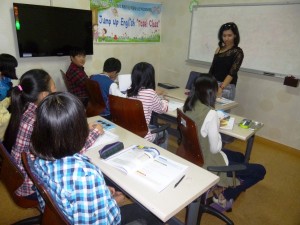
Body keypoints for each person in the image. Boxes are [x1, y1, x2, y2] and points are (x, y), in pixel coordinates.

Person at [31, 92, 163, 225]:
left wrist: (103, 193)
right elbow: (105, 222)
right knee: (148, 213)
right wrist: (113, 203)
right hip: (100, 219)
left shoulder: (39, 159)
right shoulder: (86, 175)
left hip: (61, 216)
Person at [3, 69, 102, 200]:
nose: (57, 90)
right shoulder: (37, 122)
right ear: (44, 95)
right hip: (32, 186)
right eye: (54, 87)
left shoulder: (26, 109)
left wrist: (81, 129)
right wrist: (94, 133)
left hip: (20, 176)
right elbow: (67, 154)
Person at [182, 74, 266, 212]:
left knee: (239, 156)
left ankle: (222, 185)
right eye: (218, 88)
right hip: (208, 159)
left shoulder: (187, 106)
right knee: (260, 170)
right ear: (211, 92)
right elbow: (215, 149)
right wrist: (217, 129)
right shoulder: (211, 114)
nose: (220, 90)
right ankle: (225, 195)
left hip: (195, 154)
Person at [127, 62, 169, 149]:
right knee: (165, 133)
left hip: (131, 132)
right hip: (144, 136)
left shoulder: (129, 91)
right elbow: (162, 110)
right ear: (150, 77)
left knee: (153, 126)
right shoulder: (150, 93)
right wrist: (165, 101)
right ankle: (160, 158)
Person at [209, 22, 244, 100]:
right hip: (213, 85)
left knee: (221, 112)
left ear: (235, 35)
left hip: (226, 87)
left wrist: (221, 88)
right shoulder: (218, 49)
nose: (226, 38)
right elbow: (212, 69)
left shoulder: (238, 52)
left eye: (229, 35)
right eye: (224, 36)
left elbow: (232, 73)